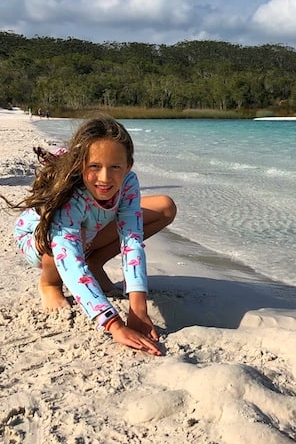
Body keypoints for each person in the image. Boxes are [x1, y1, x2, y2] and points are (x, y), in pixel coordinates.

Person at [10, 115, 177, 355]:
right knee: (55, 246)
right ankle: (50, 282)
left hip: (91, 229)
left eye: (115, 167)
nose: (105, 178)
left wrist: (138, 308)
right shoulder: (70, 197)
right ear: (80, 165)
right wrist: (114, 324)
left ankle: (95, 262)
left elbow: (132, 240)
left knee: (164, 206)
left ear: (128, 166)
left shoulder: (128, 182)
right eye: (95, 167)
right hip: (41, 238)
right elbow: (69, 260)